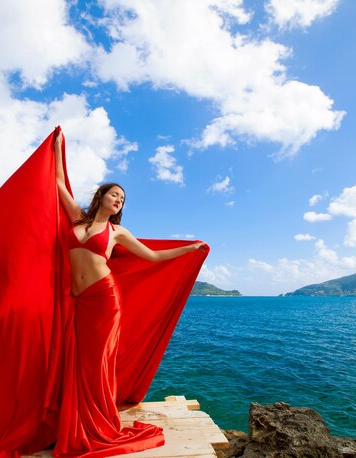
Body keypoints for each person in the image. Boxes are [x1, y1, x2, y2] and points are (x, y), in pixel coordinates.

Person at [52, 129, 206, 457]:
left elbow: (152, 256)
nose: (119, 200)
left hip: (105, 300)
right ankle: (79, 421)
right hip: (79, 302)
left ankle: (96, 421)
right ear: (101, 197)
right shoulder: (77, 219)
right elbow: (59, 186)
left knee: (96, 363)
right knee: (79, 363)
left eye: (122, 199)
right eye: (115, 195)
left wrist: (189, 248)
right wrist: (57, 148)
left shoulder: (116, 232)